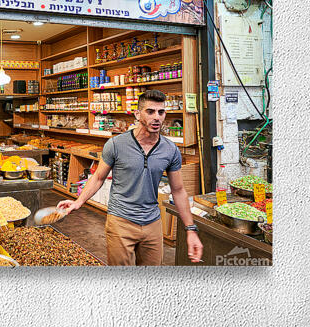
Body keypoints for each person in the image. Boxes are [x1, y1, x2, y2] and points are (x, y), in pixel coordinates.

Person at [56, 89, 203, 265]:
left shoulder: (170, 150)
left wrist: (190, 229)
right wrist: (78, 202)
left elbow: (178, 190)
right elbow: (98, 177)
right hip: (120, 222)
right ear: (137, 114)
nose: (157, 117)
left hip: (152, 223)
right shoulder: (116, 144)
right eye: (150, 112)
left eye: (161, 112)